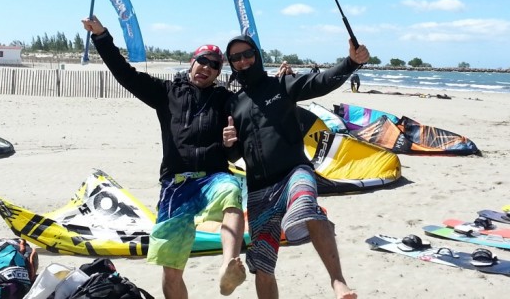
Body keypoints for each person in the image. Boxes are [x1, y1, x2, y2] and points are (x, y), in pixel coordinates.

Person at [83, 16, 246, 298]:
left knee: (232, 192)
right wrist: (101, 36)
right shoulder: (166, 93)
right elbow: (125, 73)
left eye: (214, 65)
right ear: (192, 62)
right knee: (170, 269)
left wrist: (232, 145)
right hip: (176, 184)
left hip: (213, 177)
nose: (207, 67)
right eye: (203, 61)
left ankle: (229, 264)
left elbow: (238, 145)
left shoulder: (225, 101)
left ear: (219, 73)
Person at [223, 34, 368, 299]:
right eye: (236, 58)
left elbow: (320, 82)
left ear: (257, 55)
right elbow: (234, 156)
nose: (243, 61)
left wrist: (350, 63)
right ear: (231, 64)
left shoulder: (281, 85)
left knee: (307, 207)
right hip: (259, 189)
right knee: (263, 264)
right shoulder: (233, 104)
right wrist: (230, 145)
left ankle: (338, 281)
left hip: (293, 172)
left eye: (247, 54)